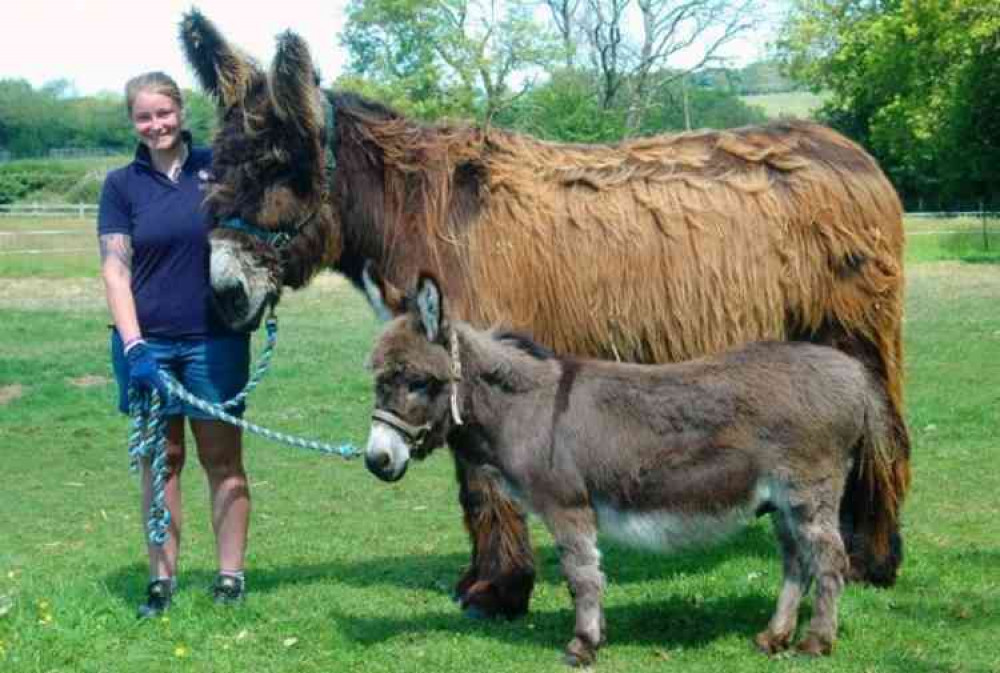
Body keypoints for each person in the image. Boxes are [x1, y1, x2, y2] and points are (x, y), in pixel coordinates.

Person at [98, 71, 252, 619]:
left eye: (163, 113)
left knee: (223, 459)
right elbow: (116, 271)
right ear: (133, 122)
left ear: (181, 111)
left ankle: (231, 577)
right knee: (162, 461)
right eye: (144, 116)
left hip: (216, 341)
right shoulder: (121, 186)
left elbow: (255, 241)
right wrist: (135, 346)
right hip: (149, 348)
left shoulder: (221, 170)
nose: (156, 125)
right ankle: (161, 579)